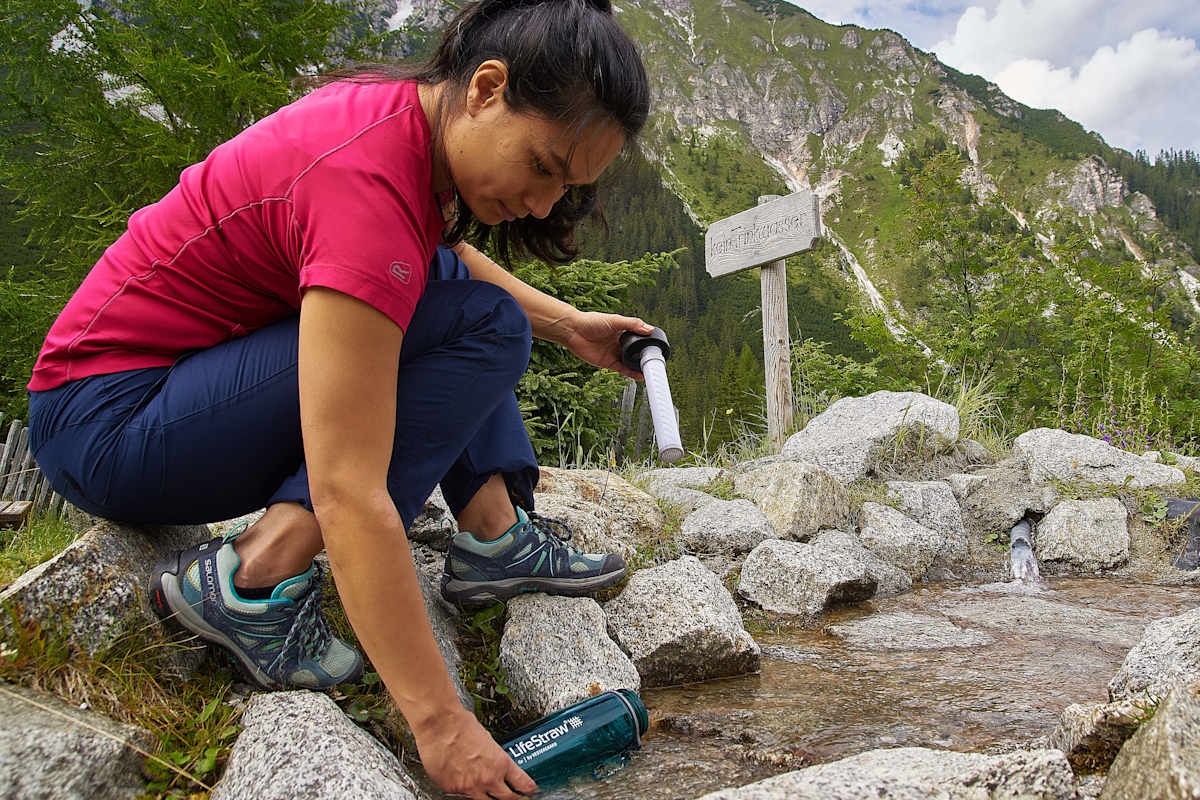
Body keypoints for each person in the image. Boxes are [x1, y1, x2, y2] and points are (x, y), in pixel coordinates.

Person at [25, 1, 650, 797]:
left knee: (461, 296)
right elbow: (348, 490)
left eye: (568, 188)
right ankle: (252, 579)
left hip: (148, 394)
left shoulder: (401, 124)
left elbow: (438, 254)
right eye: (544, 168)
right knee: (485, 328)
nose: (540, 204)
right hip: (109, 426)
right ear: (487, 90)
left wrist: (569, 328)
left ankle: (494, 536)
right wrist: (442, 724)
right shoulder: (362, 183)